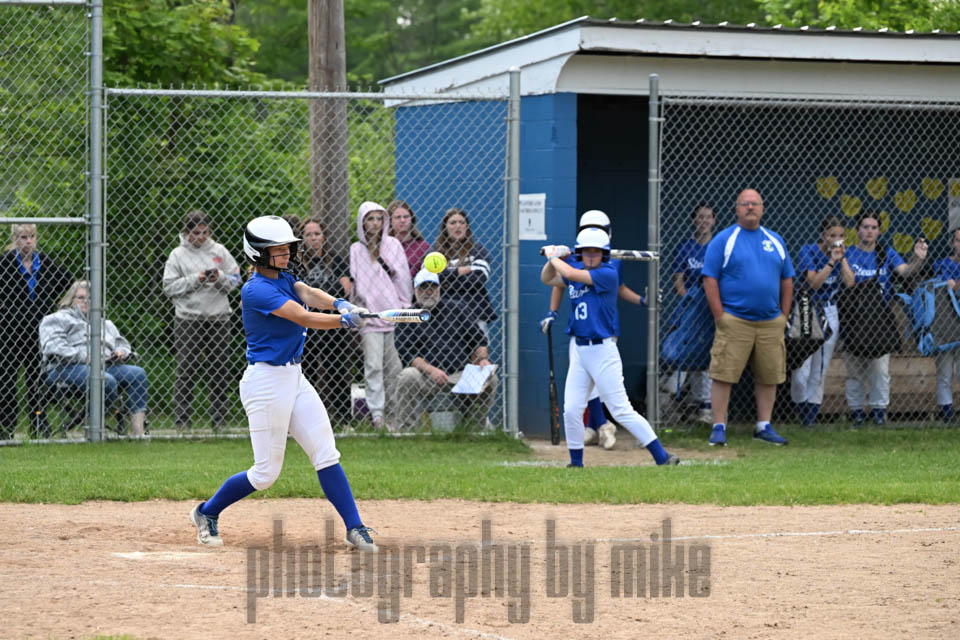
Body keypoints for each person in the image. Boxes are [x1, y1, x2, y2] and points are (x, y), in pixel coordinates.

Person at [189, 215, 378, 552]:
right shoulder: (256, 289)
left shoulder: (284, 276)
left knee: (326, 453)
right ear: (258, 254)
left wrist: (339, 303)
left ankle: (355, 527)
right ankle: (207, 512)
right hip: (266, 383)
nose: (286, 253)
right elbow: (301, 315)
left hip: (294, 377)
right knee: (265, 474)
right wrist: (343, 321)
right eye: (278, 249)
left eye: (287, 247)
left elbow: (306, 292)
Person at [540, 228, 679, 467]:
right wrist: (556, 256)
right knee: (571, 409)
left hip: (602, 351)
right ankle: (576, 463)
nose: (591, 256)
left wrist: (554, 256)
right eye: (586, 251)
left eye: (596, 251)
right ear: (580, 252)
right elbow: (548, 278)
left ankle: (662, 456)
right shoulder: (575, 269)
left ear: (605, 254)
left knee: (620, 410)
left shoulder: (607, 273)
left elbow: (569, 272)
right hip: (580, 350)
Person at [540, 210, 650, 450]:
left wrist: (642, 301)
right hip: (579, 333)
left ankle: (604, 425)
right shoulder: (573, 258)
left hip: (603, 333)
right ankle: (596, 427)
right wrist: (552, 311)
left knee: (609, 395)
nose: (591, 252)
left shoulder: (610, 265)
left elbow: (614, 287)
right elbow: (558, 281)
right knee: (578, 396)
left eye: (596, 248)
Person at [701, 189, 794, 447]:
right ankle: (718, 426)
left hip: (770, 322)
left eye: (755, 204)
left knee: (769, 374)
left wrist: (783, 316)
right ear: (737, 209)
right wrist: (720, 316)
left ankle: (764, 426)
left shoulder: (775, 240)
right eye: (745, 204)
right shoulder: (724, 240)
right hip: (735, 320)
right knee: (724, 373)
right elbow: (709, 278)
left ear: (763, 209)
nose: (750, 208)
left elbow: (787, 279)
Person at [843, 212, 928, 425]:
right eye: (865, 227)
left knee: (880, 369)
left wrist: (917, 258)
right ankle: (857, 412)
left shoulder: (886, 252)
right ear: (857, 230)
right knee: (854, 369)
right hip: (853, 317)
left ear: (879, 231)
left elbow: (905, 271)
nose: (869, 231)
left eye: (874, 227)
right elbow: (847, 283)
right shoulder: (849, 253)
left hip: (878, 318)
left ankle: (879, 412)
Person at [162, 210, 242, 432]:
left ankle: (219, 420)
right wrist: (195, 280)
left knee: (220, 368)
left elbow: (236, 278)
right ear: (187, 232)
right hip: (188, 318)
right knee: (187, 368)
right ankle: (182, 421)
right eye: (196, 233)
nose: (201, 237)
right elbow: (168, 286)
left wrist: (220, 278)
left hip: (219, 317)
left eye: (205, 232)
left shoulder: (220, 251)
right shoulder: (177, 255)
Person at [39, 281, 149, 437]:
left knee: (137, 374)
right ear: (70, 299)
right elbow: (54, 347)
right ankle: (93, 428)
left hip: (105, 365)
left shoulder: (105, 323)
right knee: (106, 380)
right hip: (66, 367)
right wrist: (85, 357)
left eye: (90, 298)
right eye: (81, 297)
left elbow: (122, 343)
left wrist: (120, 351)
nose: (86, 301)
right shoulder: (56, 319)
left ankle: (138, 434)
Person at [395, 269, 498, 430]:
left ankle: (474, 428)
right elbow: (408, 354)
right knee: (407, 376)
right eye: (424, 287)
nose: (429, 292)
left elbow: (479, 340)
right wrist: (431, 370)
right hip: (427, 377)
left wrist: (482, 359)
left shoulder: (457, 309)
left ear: (439, 289)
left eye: (433, 287)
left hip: (459, 374)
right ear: (415, 290)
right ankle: (407, 431)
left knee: (491, 379)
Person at [0, 223, 73, 439]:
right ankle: (6, 426)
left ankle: (39, 423)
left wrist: (57, 304)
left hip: (39, 332)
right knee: (6, 379)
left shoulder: (45, 263)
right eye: (23, 237)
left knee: (37, 380)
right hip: (9, 332)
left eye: (31, 236)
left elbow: (68, 281)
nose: (28, 242)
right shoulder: (4, 263)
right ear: (15, 239)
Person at [349, 201, 411, 429]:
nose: (375, 223)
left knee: (394, 369)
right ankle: (377, 416)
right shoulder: (356, 249)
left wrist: (405, 307)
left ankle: (394, 415)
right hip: (369, 318)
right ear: (362, 222)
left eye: (378, 218)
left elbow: (403, 277)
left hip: (393, 316)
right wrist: (356, 313)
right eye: (370, 219)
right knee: (373, 367)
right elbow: (354, 283)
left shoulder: (393, 245)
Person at [790, 217, 855, 426]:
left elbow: (850, 282)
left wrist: (841, 259)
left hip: (829, 309)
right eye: (832, 235)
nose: (837, 240)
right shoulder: (808, 250)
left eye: (841, 236)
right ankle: (800, 407)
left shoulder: (842, 254)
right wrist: (831, 262)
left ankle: (810, 416)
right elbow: (814, 283)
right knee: (801, 368)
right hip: (807, 309)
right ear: (823, 236)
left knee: (820, 368)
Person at [299, 217, 355, 425]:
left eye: (317, 234)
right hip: (308, 324)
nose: (313, 238)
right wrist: (329, 295)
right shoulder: (298, 264)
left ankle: (344, 420)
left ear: (323, 237)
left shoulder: (335, 261)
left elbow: (346, 288)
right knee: (307, 372)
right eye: (308, 235)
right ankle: (306, 419)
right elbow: (299, 294)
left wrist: (318, 297)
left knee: (338, 370)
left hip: (333, 325)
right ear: (302, 239)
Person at [671, 203, 717, 424]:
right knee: (688, 354)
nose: (704, 221)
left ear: (714, 221)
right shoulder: (685, 247)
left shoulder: (718, 247)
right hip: (690, 309)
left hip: (713, 309)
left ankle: (706, 407)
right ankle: (686, 402)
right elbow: (678, 282)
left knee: (709, 356)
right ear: (693, 220)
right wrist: (691, 302)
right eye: (700, 217)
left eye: (708, 217)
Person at [434, 208, 496, 336]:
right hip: (443, 315)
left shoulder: (477, 250)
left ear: (467, 227)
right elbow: (431, 277)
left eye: (462, 222)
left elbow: (479, 278)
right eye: (453, 223)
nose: (458, 226)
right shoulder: (435, 252)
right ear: (445, 228)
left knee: (479, 347)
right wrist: (458, 272)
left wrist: (446, 281)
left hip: (474, 312)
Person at [933, 228, 960, 422]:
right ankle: (947, 414)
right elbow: (951, 289)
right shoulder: (942, 264)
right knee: (945, 371)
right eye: (958, 241)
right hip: (946, 322)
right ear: (952, 243)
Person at [388, 199, 430, 279]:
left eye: (406, 217)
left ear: (412, 219)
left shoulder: (423, 247)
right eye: (398, 217)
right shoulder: (384, 246)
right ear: (390, 221)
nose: (403, 220)